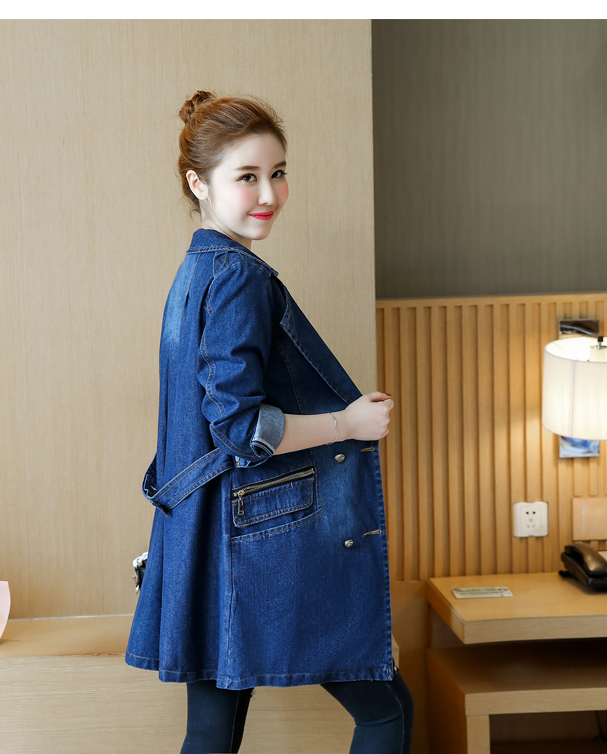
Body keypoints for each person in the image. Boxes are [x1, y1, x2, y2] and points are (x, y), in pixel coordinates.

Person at [125, 90, 414, 754]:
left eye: (278, 173)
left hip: (203, 533)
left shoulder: (196, 271)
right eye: (247, 177)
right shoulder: (238, 277)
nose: (268, 194)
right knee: (388, 712)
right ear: (199, 184)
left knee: (211, 734)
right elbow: (241, 429)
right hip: (254, 538)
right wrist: (346, 424)